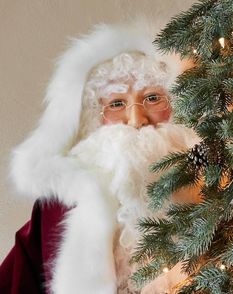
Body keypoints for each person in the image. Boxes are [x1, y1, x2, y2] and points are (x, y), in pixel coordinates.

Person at [0, 20, 199, 294]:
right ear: (96, 117)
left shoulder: (213, 185)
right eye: (117, 103)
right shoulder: (59, 206)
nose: (136, 120)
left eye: (153, 98)